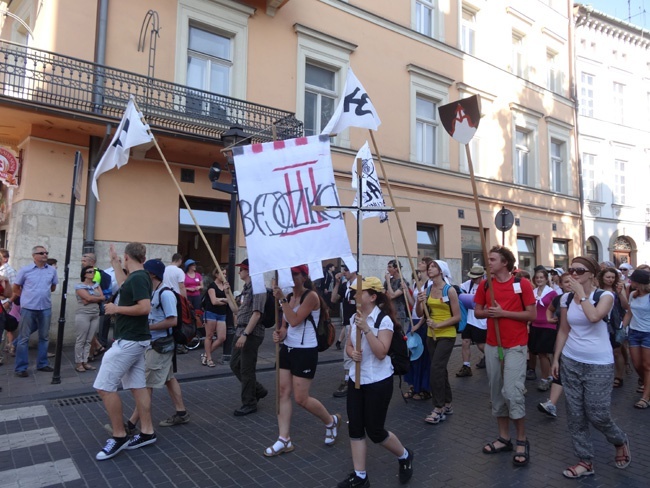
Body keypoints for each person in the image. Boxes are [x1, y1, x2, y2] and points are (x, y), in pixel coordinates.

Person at [552, 256, 630, 478]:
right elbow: (564, 330)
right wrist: (556, 358)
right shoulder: (566, 298)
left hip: (598, 363)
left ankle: (619, 440)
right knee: (575, 415)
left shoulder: (605, 296)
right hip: (571, 360)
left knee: (597, 413)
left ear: (592, 274)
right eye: (571, 270)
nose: (574, 274)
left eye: (579, 270)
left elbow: (594, 316)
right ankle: (585, 460)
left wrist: (583, 295)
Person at [337, 277, 414, 488]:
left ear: (372, 296)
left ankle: (405, 455)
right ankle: (360, 475)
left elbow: (381, 352)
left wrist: (367, 329)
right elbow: (349, 346)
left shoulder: (384, 321)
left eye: (358, 292)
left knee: (375, 430)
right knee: (355, 428)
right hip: (357, 379)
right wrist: (353, 353)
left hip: (378, 381)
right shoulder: (354, 318)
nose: (354, 296)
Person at [266, 265, 341, 456]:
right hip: (288, 348)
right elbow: (285, 327)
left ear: (304, 276)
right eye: (289, 274)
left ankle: (330, 421)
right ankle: (284, 439)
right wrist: (279, 335)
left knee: (301, 398)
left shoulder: (312, 297)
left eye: (295, 274)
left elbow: (295, 320)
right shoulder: (290, 297)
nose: (291, 278)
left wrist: (281, 299)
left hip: (306, 350)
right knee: (283, 393)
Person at [93, 243, 156, 461]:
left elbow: (145, 307)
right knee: (138, 387)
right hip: (137, 341)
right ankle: (147, 431)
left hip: (128, 342)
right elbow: (123, 283)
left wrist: (116, 309)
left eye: (122, 259)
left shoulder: (138, 278)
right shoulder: (137, 277)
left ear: (128, 256)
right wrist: (114, 262)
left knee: (104, 387)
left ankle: (119, 436)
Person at [474, 246, 536, 467]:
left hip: (516, 346)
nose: (488, 262)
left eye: (492, 259)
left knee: (513, 392)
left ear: (505, 263)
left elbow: (532, 314)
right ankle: (504, 438)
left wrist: (504, 313)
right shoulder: (485, 284)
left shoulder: (522, 284)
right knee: (497, 391)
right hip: (493, 345)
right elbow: (477, 311)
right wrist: (490, 312)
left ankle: (522, 439)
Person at [125, 259, 190, 430]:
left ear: (152, 274)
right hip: (155, 343)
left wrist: (148, 327)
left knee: (145, 385)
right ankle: (181, 413)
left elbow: (172, 321)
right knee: (169, 378)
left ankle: (131, 424)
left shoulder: (165, 294)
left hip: (160, 345)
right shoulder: (152, 292)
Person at [416, 260, 459, 424]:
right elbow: (421, 313)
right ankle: (448, 403)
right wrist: (420, 302)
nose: (430, 268)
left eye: (433, 266)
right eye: (429, 266)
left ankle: (438, 407)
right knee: (440, 370)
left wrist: (438, 324)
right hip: (430, 334)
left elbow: (457, 316)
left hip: (446, 334)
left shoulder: (450, 290)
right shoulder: (427, 290)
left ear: (441, 271)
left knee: (436, 369)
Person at [230, 258, 268, 416]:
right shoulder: (246, 288)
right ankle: (257, 390)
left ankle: (249, 402)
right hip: (240, 331)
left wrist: (246, 334)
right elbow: (237, 311)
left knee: (246, 369)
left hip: (250, 333)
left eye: (242, 269)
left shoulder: (258, 288)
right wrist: (227, 294)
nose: (240, 272)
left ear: (249, 271)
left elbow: (257, 314)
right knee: (234, 364)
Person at [13, 245, 58, 377]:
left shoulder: (52, 270)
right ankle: (21, 368)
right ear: (34, 256)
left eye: (46, 252)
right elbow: (15, 288)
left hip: (45, 308)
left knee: (44, 337)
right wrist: (27, 297)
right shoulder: (25, 270)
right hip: (28, 308)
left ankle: (42, 364)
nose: (45, 255)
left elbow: (53, 287)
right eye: (41, 253)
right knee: (23, 338)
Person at [538, 272, 572, 418]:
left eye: (571, 281)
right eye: (566, 282)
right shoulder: (559, 299)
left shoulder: (585, 299)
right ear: (561, 284)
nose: (569, 284)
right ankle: (551, 404)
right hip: (563, 339)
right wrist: (549, 319)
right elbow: (550, 309)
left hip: (583, 343)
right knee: (559, 370)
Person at [402, 258, 433, 400]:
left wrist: (418, 325)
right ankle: (413, 385)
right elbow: (414, 304)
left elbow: (428, 310)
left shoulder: (431, 285)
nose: (418, 263)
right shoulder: (416, 283)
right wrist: (406, 291)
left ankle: (424, 388)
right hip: (413, 319)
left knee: (423, 355)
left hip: (422, 322)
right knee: (412, 353)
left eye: (422, 262)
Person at [597, 266, 628, 388]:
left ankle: (619, 376)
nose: (610, 279)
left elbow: (625, 306)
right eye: (608, 277)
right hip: (601, 322)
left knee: (616, 351)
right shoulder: (598, 290)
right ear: (602, 278)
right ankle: (604, 374)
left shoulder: (618, 289)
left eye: (612, 277)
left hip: (615, 324)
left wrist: (620, 294)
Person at [623, 268, 650, 409]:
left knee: (647, 366)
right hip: (634, 332)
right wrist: (621, 328)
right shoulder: (633, 294)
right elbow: (629, 313)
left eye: (633, 280)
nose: (630, 281)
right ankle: (646, 383)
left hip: (648, 333)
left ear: (640, 282)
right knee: (637, 364)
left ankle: (646, 397)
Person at [331, 264, 359, 398]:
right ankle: (351, 379)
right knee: (349, 353)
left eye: (347, 270)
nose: (344, 272)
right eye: (343, 270)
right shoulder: (345, 286)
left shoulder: (360, 284)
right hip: (348, 323)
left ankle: (350, 380)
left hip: (358, 323)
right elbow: (333, 299)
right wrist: (336, 283)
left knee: (350, 354)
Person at [528, 267, 558, 392]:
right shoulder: (533, 292)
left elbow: (557, 309)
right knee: (537, 352)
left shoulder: (552, 293)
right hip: (535, 325)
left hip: (548, 326)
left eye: (541, 277)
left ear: (546, 279)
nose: (539, 279)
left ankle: (545, 379)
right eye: (537, 278)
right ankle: (550, 375)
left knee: (542, 354)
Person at [456, 264, 487, 377]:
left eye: (475, 277)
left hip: (481, 320)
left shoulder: (487, 285)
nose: (473, 279)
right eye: (472, 277)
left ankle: (492, 358)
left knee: (481, 345)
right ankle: (466, 366)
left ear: (481, 276)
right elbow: (459, 292)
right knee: (465, 342)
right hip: (468, 318)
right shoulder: (467, 285)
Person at [74, 266, 104, 372]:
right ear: (85, 274)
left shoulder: (96, 285)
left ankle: (85, 361)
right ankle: (78, 362)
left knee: (89, 339)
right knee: (81, 339)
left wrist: (92, 299)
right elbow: (87, 298)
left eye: (94, 271)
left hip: (95, 314)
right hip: (83, 314)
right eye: (90, 271)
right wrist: (94, 299)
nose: (93, 273)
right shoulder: (79, 286)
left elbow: (102, 297)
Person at [202, 268, 235, 367]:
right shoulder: (212, 286)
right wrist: (224, 300)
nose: (224, 275)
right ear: (216, 274)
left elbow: (230, 300)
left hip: (222, 314)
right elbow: (214, 301)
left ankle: (205, 354)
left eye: (225, 274)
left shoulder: (226, 287)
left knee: (222, 337)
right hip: (211, 312)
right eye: (222, 273)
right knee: (209, 336)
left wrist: (226, 295)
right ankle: (209, 358)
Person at [384, 259, 409, 330]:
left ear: (396, 268)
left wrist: (388, 281)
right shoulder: (387, 281)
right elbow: (384, 294)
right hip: (388, 312)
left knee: (399, 334)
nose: (388, 269)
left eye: (390, 267)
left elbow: (392, 295)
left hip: (399, 314)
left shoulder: (403, 282)